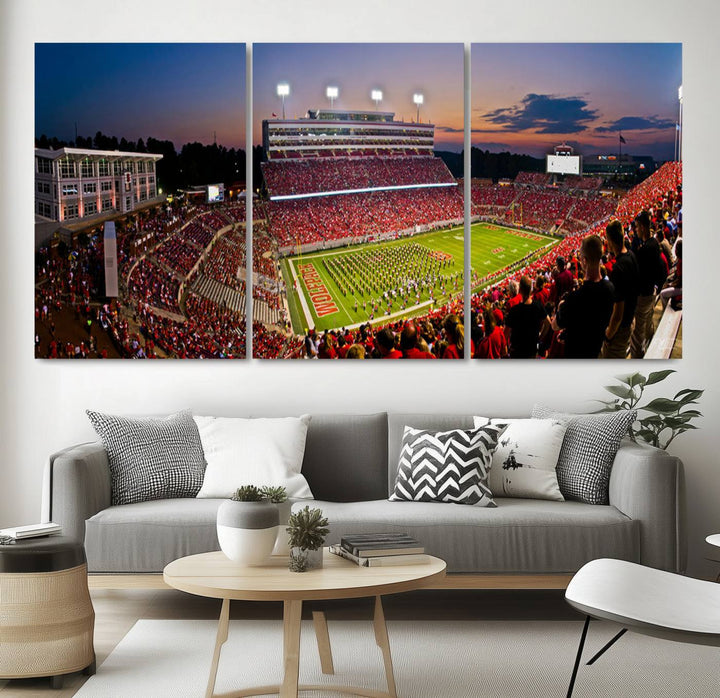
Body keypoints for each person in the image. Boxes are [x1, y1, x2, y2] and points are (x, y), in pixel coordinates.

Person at [553, 234, 614, 359]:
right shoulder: (610, 289)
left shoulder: (573, 299)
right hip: (597, 351)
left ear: (584, 261)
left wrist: (560, 308)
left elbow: (555, 325)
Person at [630, 210, 666, 358]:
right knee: (648, 322)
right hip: (651, 292)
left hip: (643, 295)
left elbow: (638, 274)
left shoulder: (646, 249)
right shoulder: (653, 244)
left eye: (637, 227)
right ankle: (651, 343)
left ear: (643, 227)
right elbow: (661, 270)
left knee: (637, 334)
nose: (636, 230)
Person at [601, 220, 639, 359]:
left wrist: (609, 334)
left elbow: (618, 311)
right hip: (630, 319)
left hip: (620, 329)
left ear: (609, 240)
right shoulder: (632, 256)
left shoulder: (618, 268)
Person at [505, 276, 546, 359]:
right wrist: (540, 337)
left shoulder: (514, 310)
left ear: (520, 289)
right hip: (532, 349)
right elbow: (548, 322)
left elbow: (505, 334)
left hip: (517, 352)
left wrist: (507, 349)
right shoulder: (538, 305)